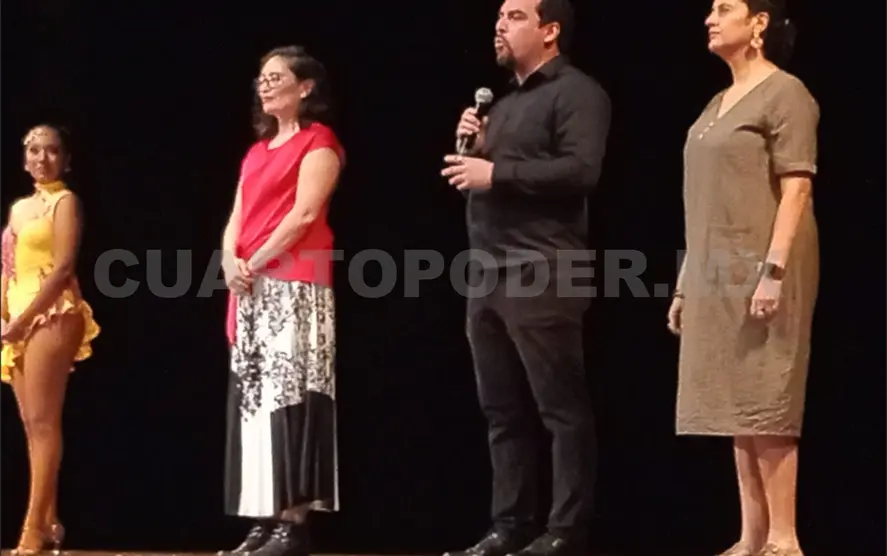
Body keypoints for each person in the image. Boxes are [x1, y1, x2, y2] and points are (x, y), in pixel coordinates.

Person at [440, 0, 611, 554]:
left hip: (543, 269)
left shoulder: (578, 92)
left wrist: (497, 171)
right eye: (499, 16)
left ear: (550, 30)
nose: (499, 25)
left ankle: (565, 531)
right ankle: (509, 525)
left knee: (560, 409)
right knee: (502, 412)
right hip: (486, 272)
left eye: (515, 16)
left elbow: (581, 170)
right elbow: (490, 180)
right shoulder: (503, 103)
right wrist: (478, 149)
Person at [667, 2, 819, 555]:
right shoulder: (717, 103)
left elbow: (797, 188)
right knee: (737, 400)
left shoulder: (786, 93)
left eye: (724, 8)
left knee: (766, 394)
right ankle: (752, 535)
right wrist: (687, 281)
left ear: (759, 23)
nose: (710, 17)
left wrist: (773, 271)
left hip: (766, 262)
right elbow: (705, 203)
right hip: (719, 268)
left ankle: (784, 539)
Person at [219, 45, 344, 556]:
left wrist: (255, 260)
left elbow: (304, 214)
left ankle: (293, 523)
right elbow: (237, 215)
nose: (265, 85)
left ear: (305, 87)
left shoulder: (319, 142)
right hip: (252, 286)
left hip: (296, 285)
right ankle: (263, 519)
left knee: (292, 400)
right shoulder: (256, 152)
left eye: (277, 77)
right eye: (262, 78)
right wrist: (230, 260)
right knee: (255, 403)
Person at [1, 124, 101, 555]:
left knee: (43, 424)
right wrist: (6, 317)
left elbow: (62, 268)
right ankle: (49, 518)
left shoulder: (65, 202)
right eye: (34, 150)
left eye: (52, 150)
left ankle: (32, 529)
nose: (42, 158)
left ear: (66, 159)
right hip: (18, 315)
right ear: (25, 159)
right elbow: (8, 268)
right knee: (32, 425)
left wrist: (24, 320)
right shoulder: (19, 208)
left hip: (52, 312)